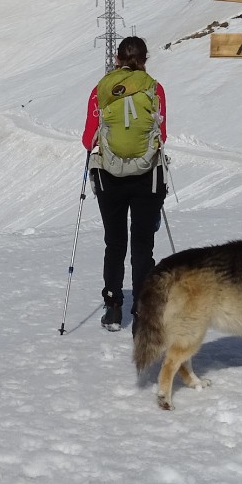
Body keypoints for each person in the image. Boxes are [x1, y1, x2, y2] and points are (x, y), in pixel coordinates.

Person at [81, 37, 168, 330]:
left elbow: (87, 139)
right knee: (143, 244)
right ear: (146, 58)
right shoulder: (155, 89)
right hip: (148, 177)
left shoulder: (100, 91)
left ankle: (114, 306)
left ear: (117, 59)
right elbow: (161, 135)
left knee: (115, 242)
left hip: (109, 176)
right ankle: (142, 311)